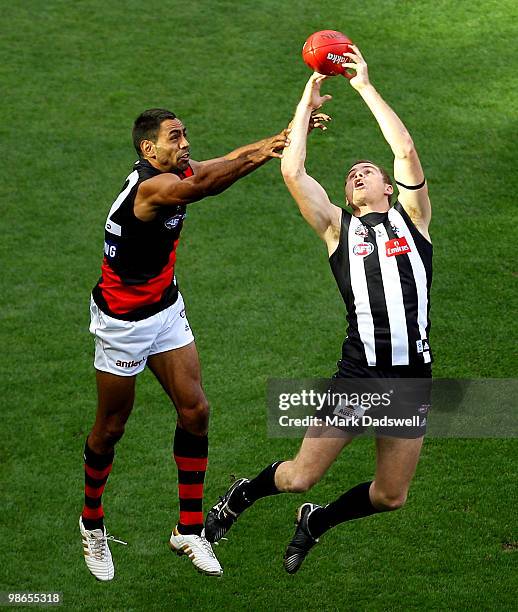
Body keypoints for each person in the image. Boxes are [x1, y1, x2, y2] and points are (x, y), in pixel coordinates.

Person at [205, 45, 433, 574]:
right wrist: (304, 107)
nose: (359, 173)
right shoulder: (339, 230)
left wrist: (363, 87)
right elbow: (293, 172)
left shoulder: (414, 220)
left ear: (387, 187)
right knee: (298, 476)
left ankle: (317, 522)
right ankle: (240, 496)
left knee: (390, 496)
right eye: (352, 172)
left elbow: (404, 149)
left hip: (411, 379)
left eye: (368, 170)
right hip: (360, 376)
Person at [79, 107, 292, 581]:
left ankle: (189, 529)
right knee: (111, 427)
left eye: (185, 134)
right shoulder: (151, 187)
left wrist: (275, 141)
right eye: (175, 137)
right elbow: (203, 186)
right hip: (122, 324)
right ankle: (91, 522)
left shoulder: (171, 171)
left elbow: (218, 165)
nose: (186, 143)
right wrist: (258, 156)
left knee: (195, 411)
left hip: (164, 308)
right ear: (148, 149)